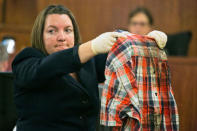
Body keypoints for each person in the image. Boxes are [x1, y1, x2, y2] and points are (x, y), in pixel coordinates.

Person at [12, 5, 126, 131]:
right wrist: (92, 46)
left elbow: (122, 61)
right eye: (52, 31)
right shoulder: (26, 60)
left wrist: (146, 42)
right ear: (40, 35)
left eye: (68, 30)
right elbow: (48, 67)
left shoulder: (88, 62)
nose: (61, 37)